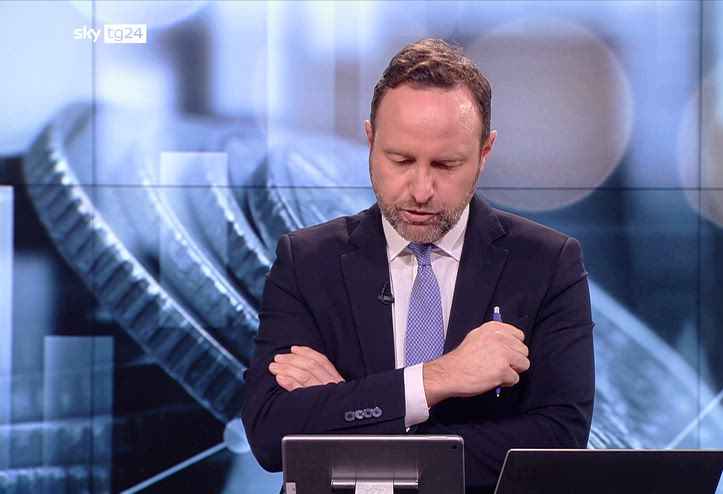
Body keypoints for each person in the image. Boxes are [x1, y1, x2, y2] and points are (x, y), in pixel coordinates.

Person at [242, 38, 595, 493]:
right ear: (370, 140)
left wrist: (356, 419)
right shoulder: (307, 261)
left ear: (485, 153)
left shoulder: (547, 263)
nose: (421, 190)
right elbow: (271, 433)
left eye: (446, 165)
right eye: (401, 160)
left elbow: (559, 442)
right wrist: (436, 379)